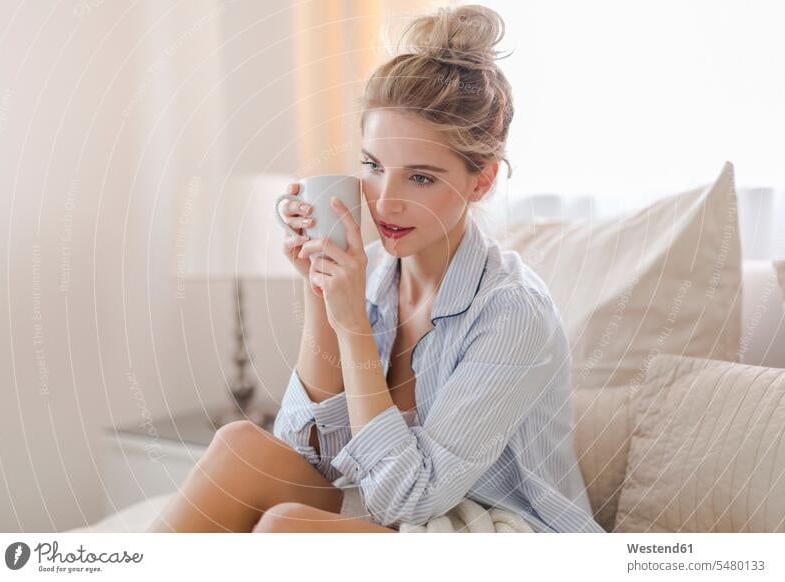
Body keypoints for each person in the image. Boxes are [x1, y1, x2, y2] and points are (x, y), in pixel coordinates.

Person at [148, 4, 604, 534]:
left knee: (285, 529)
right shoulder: (375, 278)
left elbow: (408, 500)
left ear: (482, 181)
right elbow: (311, 456)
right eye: (373, 166)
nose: (385, 201)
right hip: (411, 518)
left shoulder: (512, 312)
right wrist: (322, 295)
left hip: (495, 533)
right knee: (239, 446)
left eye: (422, 178)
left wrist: (353, 328)